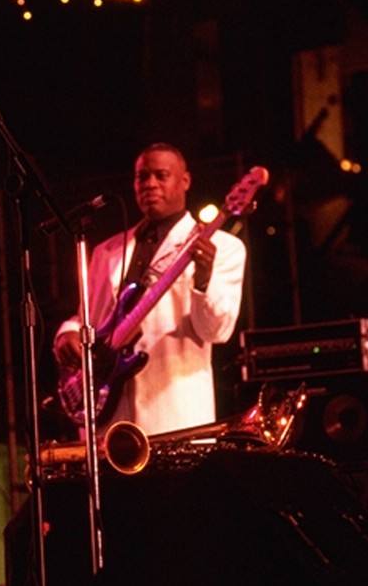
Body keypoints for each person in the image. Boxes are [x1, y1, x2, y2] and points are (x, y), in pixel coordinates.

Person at [52, 142, 245, 436]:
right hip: (108, 420)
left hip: (174, 416)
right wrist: (68, 332)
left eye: (161, 175)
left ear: (185, 181)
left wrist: (203, 281)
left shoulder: (225, 247)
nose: (150, 184)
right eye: (142, 177)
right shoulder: (107, 251)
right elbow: (87, 318)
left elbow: (217, 331)